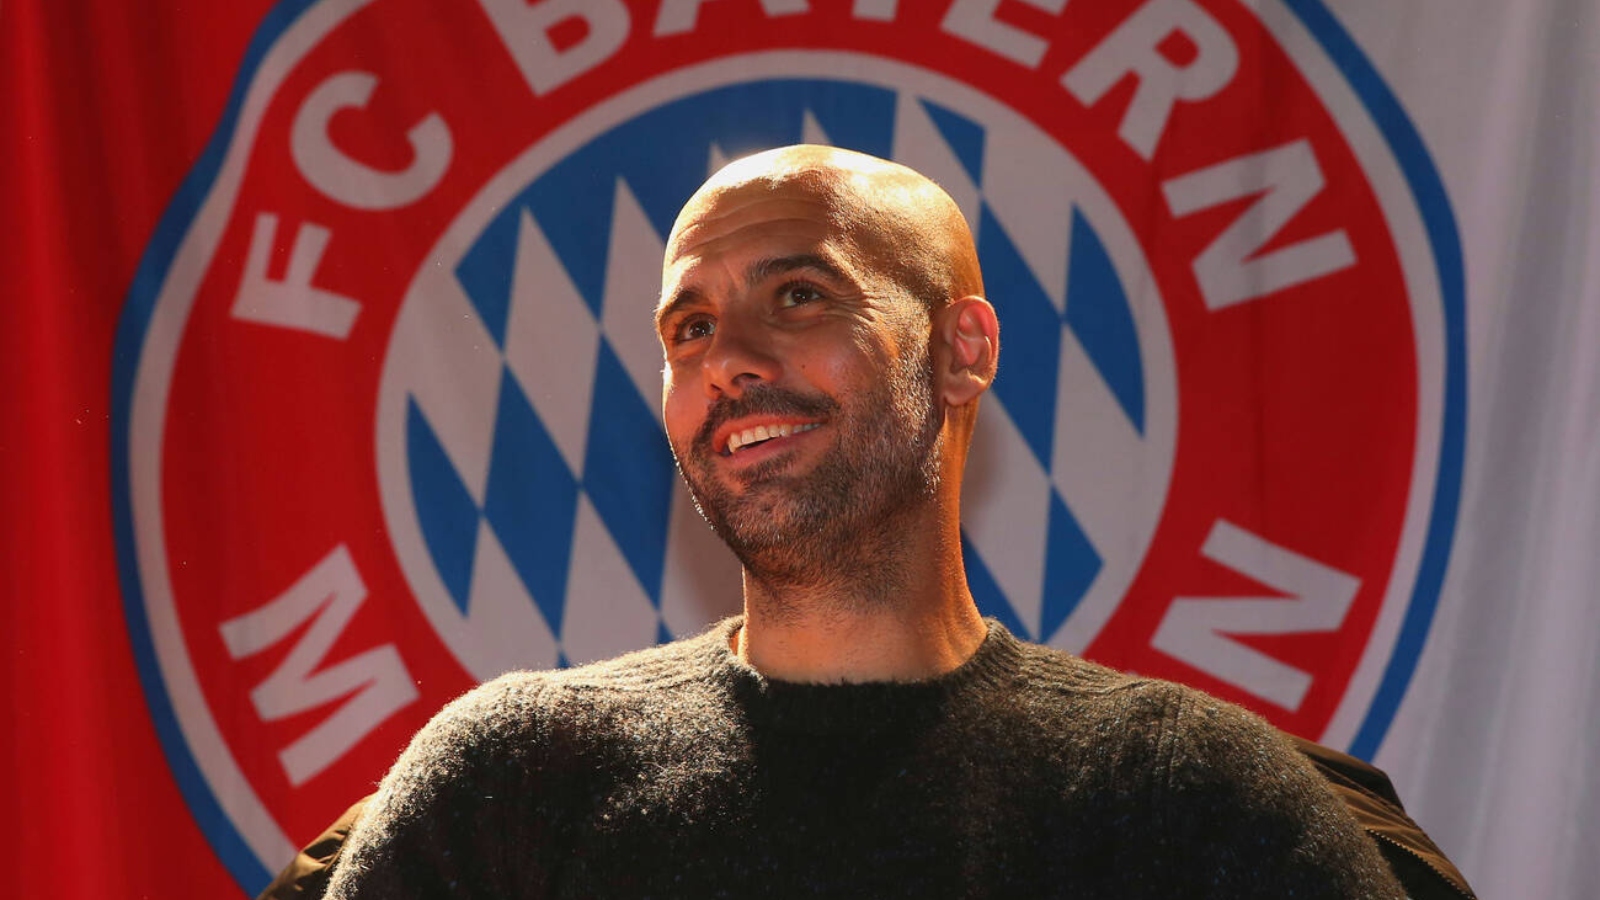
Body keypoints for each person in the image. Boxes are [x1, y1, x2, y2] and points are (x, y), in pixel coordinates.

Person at [319, 146, 1409, 898]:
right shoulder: (513, 775)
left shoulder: (1182, 793)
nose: (729, 360)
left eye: (798, 295)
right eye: (688, 327)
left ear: (961, 350)